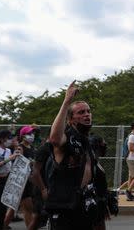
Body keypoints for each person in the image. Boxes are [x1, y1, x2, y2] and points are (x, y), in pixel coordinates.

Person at [45, 82, 98, 229]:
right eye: (81, 113)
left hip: (83, 205)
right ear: (71, 120)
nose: (87, 114)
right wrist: (66, 101)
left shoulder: (89, 142)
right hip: (64, 207)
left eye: (88, 111)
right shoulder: (67, 138)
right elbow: (55, 139)